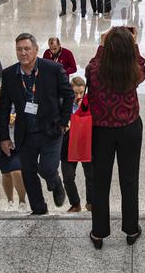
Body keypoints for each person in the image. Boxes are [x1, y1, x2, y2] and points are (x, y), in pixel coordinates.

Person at [0, 33, 74, 215]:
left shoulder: (53, 69)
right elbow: (4, 108)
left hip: (51, 130)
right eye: (19, 49)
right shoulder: (9, 75)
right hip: (25, 133)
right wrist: (3, 137)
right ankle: (39, 209)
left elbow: (69, 95)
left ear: (36, 50)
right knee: (28, 173)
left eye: (27, 49)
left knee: (47, 168)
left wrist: (64, 121)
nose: (23, 53)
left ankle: (55, 182)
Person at [86, 27, 145, 248]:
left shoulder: (95, 70)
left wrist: (102, 44)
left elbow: (93, 63)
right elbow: (141, 62)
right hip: (129, 128)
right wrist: (134, 43)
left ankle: (99, 232)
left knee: (100, 182)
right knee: (129, 179)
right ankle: (131, 229)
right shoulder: (135, 71)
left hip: (101, 131)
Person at [61, 76, 94, 213]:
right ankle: (75, 203)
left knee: (91, 175)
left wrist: (83, 109)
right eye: (75, 92)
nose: (78, 96)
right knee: (68, 177)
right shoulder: (64, 103)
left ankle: (91, 202)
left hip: (86, 143)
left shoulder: (89, 103)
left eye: (81, 92)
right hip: (68, 144)